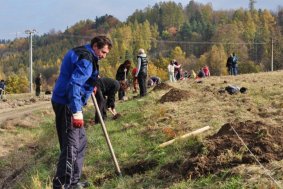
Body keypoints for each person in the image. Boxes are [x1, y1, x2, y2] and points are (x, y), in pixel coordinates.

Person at [51, 35, 112, 189]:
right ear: (96, 46)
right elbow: (74, 85)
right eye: (103, 52)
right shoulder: (87, 60)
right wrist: (77, 112)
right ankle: (62, 185)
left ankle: (73, 181)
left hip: (66, 100)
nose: (104, 56)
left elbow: (77, 76)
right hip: (67, 104)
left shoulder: (82, 52)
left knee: (81, 142)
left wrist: (91, 84)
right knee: (71, 146)